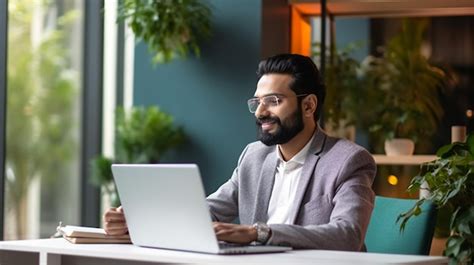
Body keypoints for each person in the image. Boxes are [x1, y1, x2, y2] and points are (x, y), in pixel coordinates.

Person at [104, 54, 376, 251]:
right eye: (257, 102)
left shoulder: (348, 160)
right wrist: (138, 218)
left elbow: (347, 235)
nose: (260, 112)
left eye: (274, 101)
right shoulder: (254, 156)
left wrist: (256, 233)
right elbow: (207, 212)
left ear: (309, 106)